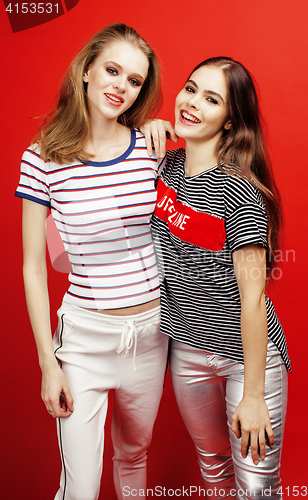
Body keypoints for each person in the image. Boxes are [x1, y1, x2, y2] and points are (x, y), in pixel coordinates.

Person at [15, 23, 174, 500]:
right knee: (81, 486)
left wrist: (167, 129)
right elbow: (33, 266)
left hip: (150, 336)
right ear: (86, 70)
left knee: (133, 456)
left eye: (134, 80)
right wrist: (49, 362)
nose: (120, 87)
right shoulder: (41, 158)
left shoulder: (153, 151)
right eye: (111, 70)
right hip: (84, 342)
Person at [147, 57, 291, 499]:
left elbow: (253, 301)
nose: (191, 103)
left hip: (247, 361)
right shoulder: (164, 168)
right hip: (187, 352)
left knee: (255, 487)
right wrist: (149, 128)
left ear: (230, 122)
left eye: (211, 99)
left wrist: (252, 396)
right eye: (190, 89)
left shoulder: (240, 193)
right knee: (214, 474)